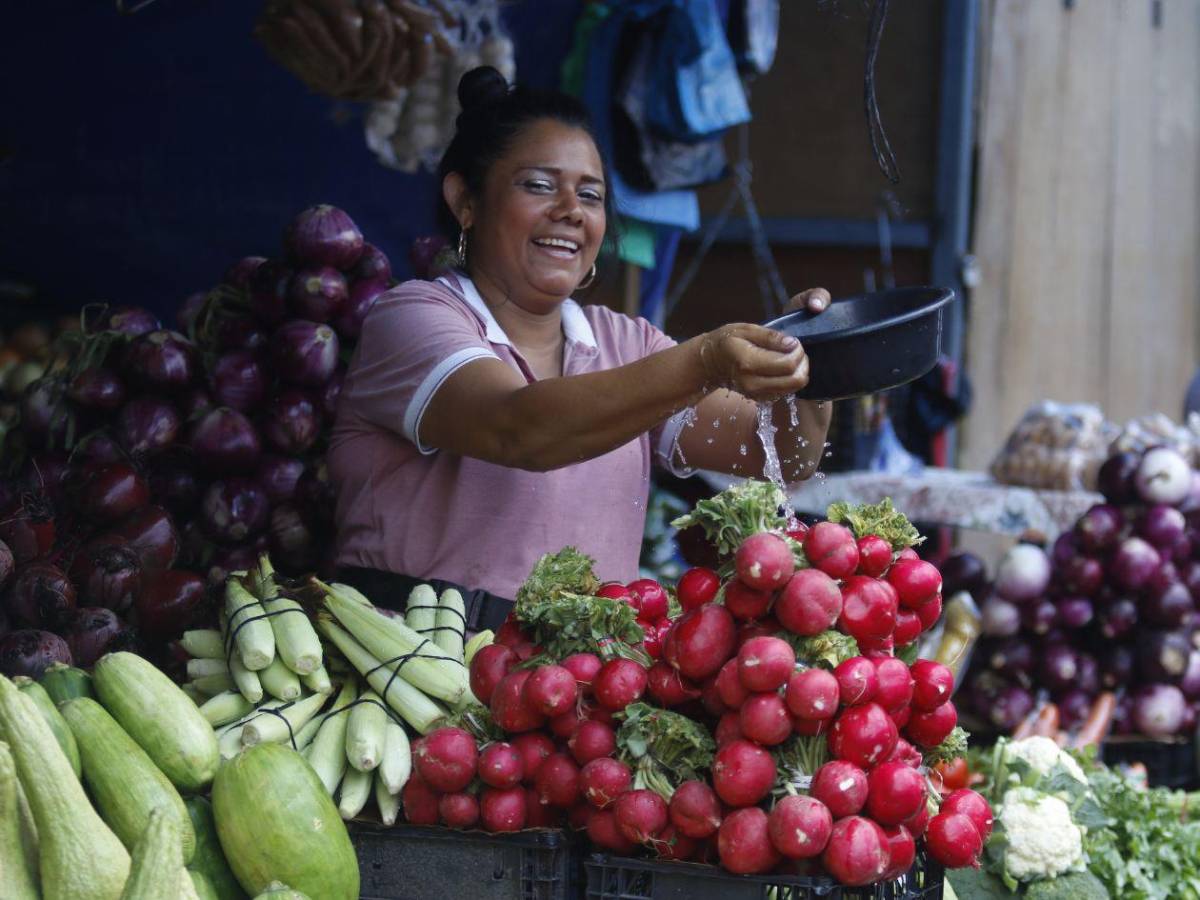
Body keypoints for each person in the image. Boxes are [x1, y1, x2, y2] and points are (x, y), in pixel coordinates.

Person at [328, 67, 833, 629]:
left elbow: (781, 457)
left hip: (578, 696)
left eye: (590, 195)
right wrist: (704, 360)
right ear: (465, 201)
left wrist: (817, 360)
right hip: (415, 674)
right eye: (539, 185)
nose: (571, 209)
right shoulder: (413, 318)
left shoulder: (628, 343)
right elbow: (518, 428)